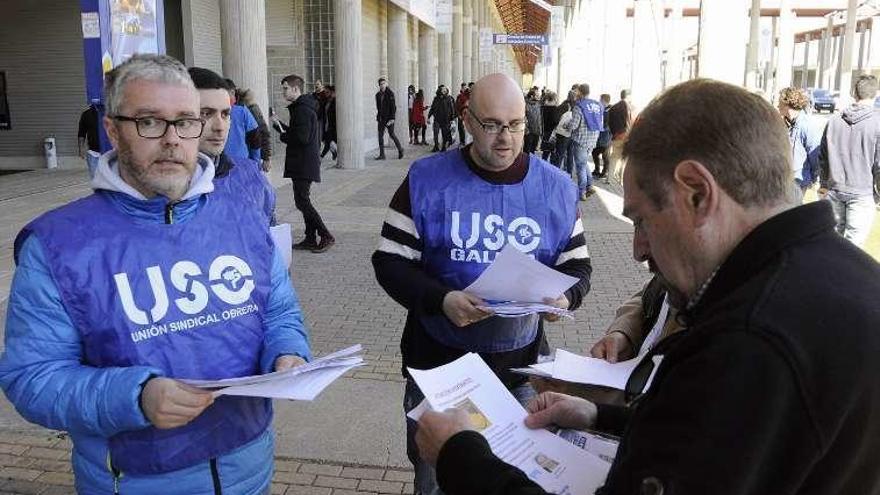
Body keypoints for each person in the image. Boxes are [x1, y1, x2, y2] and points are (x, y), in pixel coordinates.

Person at [415, 78, 880, 495]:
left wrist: (461, 456)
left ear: (696, 192)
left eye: (640, 219)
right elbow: (722, 435)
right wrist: (602, 417)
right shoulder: (849, 277)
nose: (638, 250)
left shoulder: (748, 341)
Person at [0, 54, 312, 494]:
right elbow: (32, 378)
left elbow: (279, 312)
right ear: (112, 129)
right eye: (149, 122)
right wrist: (135, 397)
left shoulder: (241, 215)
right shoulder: (58, 244)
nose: (172, 140)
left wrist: (288, 353)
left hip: (250, 468)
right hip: (137, 480)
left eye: (186, 121)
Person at [372, 73, 592, 495]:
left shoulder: (557, 188)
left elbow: (579, 267)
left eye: (516, 124)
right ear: (468, 121)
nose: (505, 138)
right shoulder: (426, 178)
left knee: (514, 481)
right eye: (492, 125)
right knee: (434, 482)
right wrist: (442, 299)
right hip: (438, 371)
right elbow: (389, 261)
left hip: (520, 373)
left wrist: (567, 297)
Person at [189, 67, 276, 224]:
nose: (220, 127)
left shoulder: (252, 182)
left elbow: (265, 238)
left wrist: (256, 163)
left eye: (225, 114)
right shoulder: (154, 188)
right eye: (206, 113)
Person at [271, 73, 335, 253]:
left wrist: (283, 134)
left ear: (295, 88)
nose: (283, 92)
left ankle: (326, 235)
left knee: (302, 201)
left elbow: (301, 137)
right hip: (302, 162)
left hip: (303, 163)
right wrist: (279, 125)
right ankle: (309, 238)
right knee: (302, 200)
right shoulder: (301, 107)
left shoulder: (302, 109)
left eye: (285, 88)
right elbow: (298, 132)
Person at [818, 74, 880, 249]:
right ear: (875, 94)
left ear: (854, 93)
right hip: (861, 193)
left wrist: (823, 183)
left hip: (835, 189)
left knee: (833, 245)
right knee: (852, 250)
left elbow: (822, 157)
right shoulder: (877, 123)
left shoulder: (834, 120)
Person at [777, 87, 821, 201]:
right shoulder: (785, 122)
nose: (777, 106)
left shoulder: (806, 125)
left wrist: (814, 178)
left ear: (787, 104)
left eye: (779, 103)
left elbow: (815, 155)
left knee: (791, 211)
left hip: (799, 180)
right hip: (784, 178)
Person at [563, 83, 603, 200]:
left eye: (577, 91)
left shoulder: (579, 106)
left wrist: (565, 125)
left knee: (580, 166)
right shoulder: (596, 105)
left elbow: (574, 125)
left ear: (580, 92)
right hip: (592, 140)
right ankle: (590, 185)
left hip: (580, 140)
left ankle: (582, 192)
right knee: (584, 163)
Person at [222, 78, 262, 162]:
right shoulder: (242, 111)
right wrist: (255, 161)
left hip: (218, 163)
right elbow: (255, 137)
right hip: (241, 160)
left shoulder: (208, 112)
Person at [238, 88, 274, 172]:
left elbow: (263, 132)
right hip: (251, 155)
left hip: (253, 156)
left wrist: (266, 157)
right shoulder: (250, 110)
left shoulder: (251, 110)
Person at [606, 89, 633, 185]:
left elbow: (609, 122)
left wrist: (614, 133)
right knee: (624, 159)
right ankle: (621, 179)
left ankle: (609, 178)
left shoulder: (613, 107)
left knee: (614, 158)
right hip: (626, 137)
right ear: (628, 96)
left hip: (616, 136)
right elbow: (630, 122)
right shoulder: (629, 107)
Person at [375, 77, 404, 160]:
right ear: (379, 85)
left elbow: (393, 107)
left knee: (392, 134)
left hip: (389, 118)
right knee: (380, 136)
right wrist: (378, 117)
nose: (382, 85)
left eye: (384, 83)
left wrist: (392, 118)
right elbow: (379, 108)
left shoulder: (390, 93)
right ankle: (382, 155)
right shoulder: (377, 95)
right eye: (381, 84)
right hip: (381, 119)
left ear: (386, 84)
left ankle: (400, 149)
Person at [78, 101, 102, 178]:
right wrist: (81, 148)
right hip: (93, 153)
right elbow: (82, 133)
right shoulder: (86, 114)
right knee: (95, 179)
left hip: (109, 152)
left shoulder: (111, 113)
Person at [428, 85, 456, 152]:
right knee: (435, 133)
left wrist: (452, 118)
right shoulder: (436, 98)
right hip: (437, 119)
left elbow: (452, 109)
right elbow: (432, 108)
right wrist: (429, 117)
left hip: (445, 120)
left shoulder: (448, 98)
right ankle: (436, 146)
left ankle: (443, 146)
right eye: (442, 89)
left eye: (445, 89)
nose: (444, 90)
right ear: (440, 90)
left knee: (444, 134)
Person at [592, 93, 612, 179]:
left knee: (605, 156)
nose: (599, 101)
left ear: (604, 100)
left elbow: (607, 126)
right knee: (595, 153)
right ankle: (597, 170)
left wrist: (599, 127)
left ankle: (604, 172)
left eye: (600, 100)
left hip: (606, 137)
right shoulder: (602, 110)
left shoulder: (610, 111)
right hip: (600, 137)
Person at [539, 91, 559, 162]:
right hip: (552, 134)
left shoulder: (543, 108)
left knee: (545, 153)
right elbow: (555, 122)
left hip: (545, 132)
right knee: (552, 154)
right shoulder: (554, 109)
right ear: (554, 99)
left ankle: (543, 167)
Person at [320, 85, 338, 161]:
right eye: (325, 92)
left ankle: (320, 157)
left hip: (332, 125)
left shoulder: (335, 101)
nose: (325, 93)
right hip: (326, 124)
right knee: (324, 139)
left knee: (328, 142)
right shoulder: (326, 101)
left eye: (327, 92)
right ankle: (334, 152)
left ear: (331, 92)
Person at [524, 88, 542, 155]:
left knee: (533, 151)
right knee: (527, 150)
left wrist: (540, 130)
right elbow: (523, 118)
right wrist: (526, 130)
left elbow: (540, 118)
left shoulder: (538, 104)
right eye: (537, 95)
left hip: (536, 132)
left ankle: (531, 164)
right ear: (532, 96)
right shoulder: (525, 104)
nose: (539, 96)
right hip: (529, 132)